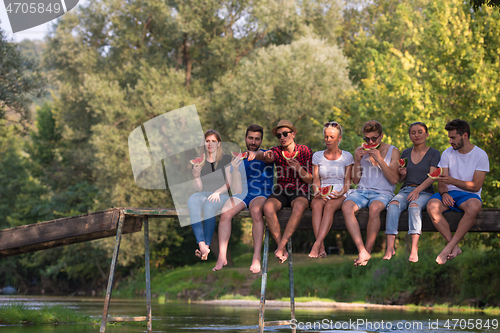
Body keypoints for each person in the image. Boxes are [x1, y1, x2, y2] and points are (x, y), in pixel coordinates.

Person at [426, 119, 489, 265]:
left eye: (453, 137)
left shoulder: (480, 155)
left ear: (464, 136)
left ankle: (448, 247)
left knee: (474, 207)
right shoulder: (447, 153)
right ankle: (454, 246)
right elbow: (442, 181)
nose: (450, 141)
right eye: (449, 137)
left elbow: (476, 186)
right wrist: (444, 193)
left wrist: (452, 181)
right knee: (432, 207)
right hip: (449, 193)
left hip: (469, 195)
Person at [212, 124, 274, 273]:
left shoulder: (268, 154)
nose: (253, 142)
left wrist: (257, 155)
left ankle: (256, 257)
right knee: (225, 212)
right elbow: (235, 185)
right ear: (245, 138)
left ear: (261, 140)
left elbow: (265, 157)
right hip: (242, 193)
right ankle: (222, 255)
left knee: (256, 210)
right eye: (251, 138)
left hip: (261, 193)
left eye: (257, 139)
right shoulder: (238, 158)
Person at [341, 120, 400, 266]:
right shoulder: (360, 151)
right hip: (362, 191)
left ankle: (367, 250)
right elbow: (355, 179)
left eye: (374, 138)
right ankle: (362, 250)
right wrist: (357, 159)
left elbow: (394, 179)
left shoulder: (393, 151)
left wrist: (379, 159)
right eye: (367, 139)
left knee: (375, 209)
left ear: (381, 136)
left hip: (383, 193)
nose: (370, 142)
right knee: (346, 207)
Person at [383, 122, 440, 262]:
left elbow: (433, 176)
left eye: (420, 132)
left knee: (414, 207)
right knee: (393, 205)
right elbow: (402, 179)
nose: (416, 135)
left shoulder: (434, 153)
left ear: (426, 134)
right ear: (409, 136)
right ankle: (390, 246)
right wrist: (402, 173)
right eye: (413, 132)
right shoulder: (406, 153)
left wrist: (418, 190)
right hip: (407, 190)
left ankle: (414, 249)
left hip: (425, 191)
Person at [258, 120, 313, 263]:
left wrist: (299, 169)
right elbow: (264, 155)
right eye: (279, 135)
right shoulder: (276, 151)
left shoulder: (305, 151)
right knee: (268, 207)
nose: (282, 137)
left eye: (285, 134)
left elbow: (310, 180)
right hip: (282, 190)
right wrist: (261, 155)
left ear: (293, 134)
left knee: (300, 206)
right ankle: (281, 247)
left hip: (300, 190)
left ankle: (281, 246)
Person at [309, 121, 353, 258]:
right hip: (322, 191)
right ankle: (321, 247)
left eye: (331, 137)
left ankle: (316, 244)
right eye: (326, 137)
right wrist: (316, 190)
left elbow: (348, 182)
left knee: (329, 207)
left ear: (339, 138)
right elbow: (316, 179)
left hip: (341, 192)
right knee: (315, 205)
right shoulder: (317, 156)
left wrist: (340, 193)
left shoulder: (347, 157)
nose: (328, 140)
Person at [188, 129, 232, 260]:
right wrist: (195, 175)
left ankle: (206, 245)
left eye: (213, 141)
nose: (210, 144)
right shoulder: (199, 162)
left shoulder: (227, 159)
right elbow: (199, 187)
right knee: (192, 201)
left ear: (219, 143)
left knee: (209, 205)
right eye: (207, 141)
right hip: (203, 193)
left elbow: (229, 183)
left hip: (221, 194)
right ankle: (202, 245)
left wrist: (218, 192)